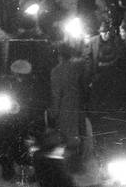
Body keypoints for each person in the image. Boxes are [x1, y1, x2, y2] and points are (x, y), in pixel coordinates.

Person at [48, 44, 89, 172]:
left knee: (66, 137)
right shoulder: (78, 67)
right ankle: (78, 165)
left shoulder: (57, 71)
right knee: (78, 135)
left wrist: (54, 112)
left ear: (59, 56)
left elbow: (56, 93)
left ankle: (68, 167)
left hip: (65, 107)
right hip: (78, 105)